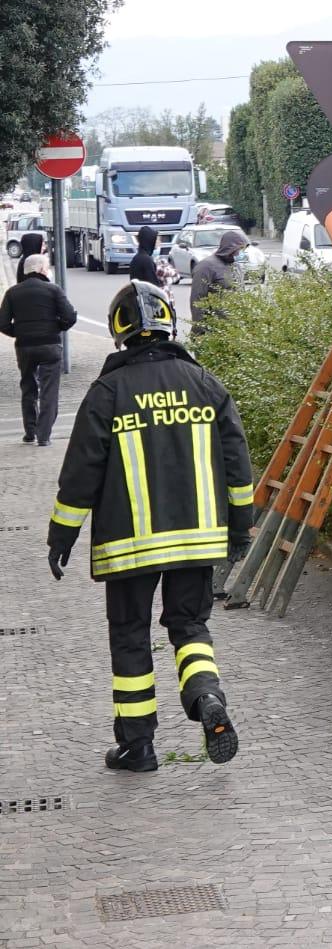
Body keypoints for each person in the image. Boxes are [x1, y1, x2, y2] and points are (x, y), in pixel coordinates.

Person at [47, 279, 253, 772]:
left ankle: (137, 746)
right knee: (189, 626)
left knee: (131, 637)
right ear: (168, 322)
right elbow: (237, 466)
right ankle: (205, 697)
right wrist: (239, 529)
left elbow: (80, 474)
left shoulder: (107, 393)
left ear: (120, 331)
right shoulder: (206, 384)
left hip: (128, 544)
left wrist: (62, 534)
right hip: (196, 539)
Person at [1, 253, 77, 446]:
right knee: (49, 391)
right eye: (47, 266)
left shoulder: (13, 292)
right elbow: (70, 316)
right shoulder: (53, 290)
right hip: (50, 346)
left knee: (28, 387)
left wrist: (20, 333)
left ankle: (30, 432)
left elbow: (2, 324)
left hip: (25, 347)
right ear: (42, 269)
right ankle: (44, 436)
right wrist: (57, 328)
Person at [187, 226, 248, 334]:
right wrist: (200, 329)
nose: (242, 253)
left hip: (234, 329)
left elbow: (240, 294)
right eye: (240, 249)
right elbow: (197, 299)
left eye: (243, 249)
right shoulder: (206, 267)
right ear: (231, 248)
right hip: (213, 329)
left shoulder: (235, 266)